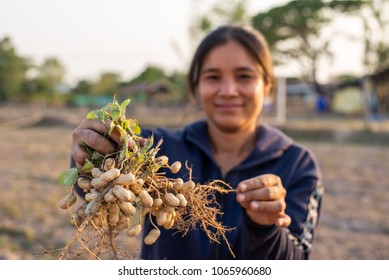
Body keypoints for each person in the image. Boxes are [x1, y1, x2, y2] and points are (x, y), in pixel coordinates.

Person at [71, 24, 323, 260]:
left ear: (267, 86)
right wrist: (93, 153)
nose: (228, 90)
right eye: (213, 77)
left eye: (244, 76)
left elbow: (297, 260)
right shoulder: (157, 150)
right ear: (194, 88)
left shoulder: (296, 164)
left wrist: (266, 228)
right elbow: (101, 188)